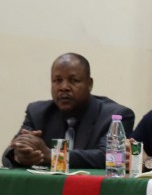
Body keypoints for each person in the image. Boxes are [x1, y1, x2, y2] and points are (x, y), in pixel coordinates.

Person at [3, 53, 134, 169]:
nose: (64, 87)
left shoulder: (116, 116)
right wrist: (20, 155)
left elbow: (110, 157)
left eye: (73, 80)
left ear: (89, 84)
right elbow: (9, 153)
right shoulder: (37, 113)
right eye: (57, 80)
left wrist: (53, 155)